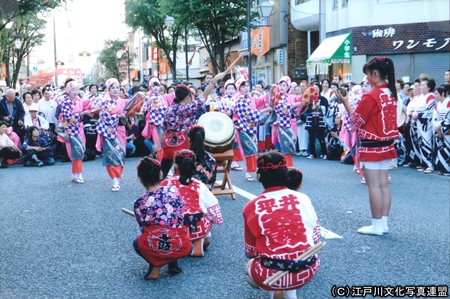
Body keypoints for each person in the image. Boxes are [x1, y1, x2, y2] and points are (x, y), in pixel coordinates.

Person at [243, 151, 321, 299]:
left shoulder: (251, 207)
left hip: (270, 272)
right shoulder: (303, 198)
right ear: (285, 173)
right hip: (307, 268)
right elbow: (316, 238)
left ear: (259, 176)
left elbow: (251, 252)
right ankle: (290, 293)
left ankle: (275, 290)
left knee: (249, 269)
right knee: (296, 257)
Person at [336, 56, 398, 236]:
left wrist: (346, 102)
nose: (367, 80)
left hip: (372, 145)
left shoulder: (372, 96)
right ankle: (383, 223)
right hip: (387, 144)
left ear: (375, 74)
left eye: (368, 76)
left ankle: (377, 225)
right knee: (383, 185)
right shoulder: (390, 93)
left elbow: (355, 122)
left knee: (374, 186)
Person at [133, 156, 191, 280]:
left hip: (156, 243)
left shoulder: (140, 202)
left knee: (138, 242)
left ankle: (155, 264)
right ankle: (172, 262)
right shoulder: (173, 191)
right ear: (160, 176)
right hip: (181, 244)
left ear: (140, 179)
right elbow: (181, 213)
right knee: (173, 230)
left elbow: (142, 227)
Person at [160, 150, 224, 257]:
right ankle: (198, 239)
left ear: (176, 165)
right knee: (206, 228)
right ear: (194, 165)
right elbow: (212, 204)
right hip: (197, 224)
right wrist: (214, 219)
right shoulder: (199, 185)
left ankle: (178, 242)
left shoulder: (166, 183)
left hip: (174, 226)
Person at [161, 73, 225, 178]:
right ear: (187, 97)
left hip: (169, 144)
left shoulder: (169, 109)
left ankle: (157, 189)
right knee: (184, 172)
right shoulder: (187, 108)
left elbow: (163, 127)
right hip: (182, 144)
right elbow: (204, 95)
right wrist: (215, 79)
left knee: (163, 172)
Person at [234, 78, 273, 181]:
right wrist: (265, 110)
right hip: (243, 129)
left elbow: (262, 99)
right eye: (243, 86)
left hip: (252, 129)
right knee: (251, 150)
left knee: (253, 151)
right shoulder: (239, 101)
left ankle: (253, 171)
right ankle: (249, 172)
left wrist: (270, 92)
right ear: (239, 89)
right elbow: (249, 114)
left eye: (247, 86)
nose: (246, 88)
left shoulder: (252, 99)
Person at [95, 78, 129, 191]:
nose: (115, 90)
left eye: (117, 88)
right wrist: (117, 116)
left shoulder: (123, 101)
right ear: (108, 89)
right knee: (111, 155)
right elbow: (103, 117)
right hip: (108, 131)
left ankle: (117, 177)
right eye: (112, 88)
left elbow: (130, 114)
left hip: (120, 129)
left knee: (120, 153)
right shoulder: (104, 101)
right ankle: (114, 179)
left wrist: (128, 116)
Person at [56, 81, 90, 183]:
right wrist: (82, 113)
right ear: (68, 91)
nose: (75, 92)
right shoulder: (65, 102)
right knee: (76, 151)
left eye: (77, 89)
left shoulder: (80, 100)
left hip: (79, 127)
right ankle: (78, 174)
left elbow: (89, 105)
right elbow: (67, 116)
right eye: (73, 90)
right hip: (70, 129)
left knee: (80, 150)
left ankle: (75, 173)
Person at [187, 125, 217, 191]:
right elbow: (212, 181)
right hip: (206, 196)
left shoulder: (183, 156)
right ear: (203, 139)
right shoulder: (211, 158)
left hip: (187, 196)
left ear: (189, 139)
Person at [432, 84, 450, 176]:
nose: (434, 95)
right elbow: (434, 118)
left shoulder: (449, 102)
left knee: (448, 148)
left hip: (447, 129)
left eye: (436, 93)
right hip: (440, 129)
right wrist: (437, 129)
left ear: (442, 93)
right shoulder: (437, 105)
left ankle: (447, 169)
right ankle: (443, 168)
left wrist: (442, 127)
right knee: (441, 149)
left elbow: (448, 118)